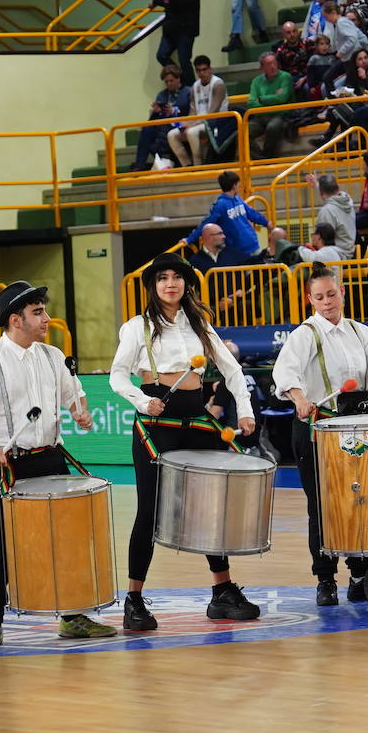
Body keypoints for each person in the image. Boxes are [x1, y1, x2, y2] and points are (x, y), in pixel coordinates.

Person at [0, 280, 111, 648]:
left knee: (67, 542)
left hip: (52, 458)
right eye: (37, 312)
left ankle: (72, 617)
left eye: (44, 310)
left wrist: (80, 413)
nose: (46, 318)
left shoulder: (52, 356)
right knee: (0, 546)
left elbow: (75, 395)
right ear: (14, 320)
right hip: (11, 466)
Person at [107, 254, 259, 631]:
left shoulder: (200, 324)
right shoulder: (136, 328)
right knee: (149, 512)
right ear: (153, 286)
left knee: (212, 508)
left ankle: (222, 592)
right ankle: (134, 599)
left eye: (176, 277)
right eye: (162, 278)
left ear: (186, 284)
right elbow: (117, 377)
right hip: (157, 425)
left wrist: (245, 409)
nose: (170, 283)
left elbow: (232, 369)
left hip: (198, 422)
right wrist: (143, 401)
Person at [273, 261, 368, 604]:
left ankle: (360, 573)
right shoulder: (304, 335)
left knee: (362, 500)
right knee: (322, 505)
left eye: (332, 294)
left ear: (341, 292)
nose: (327, 301)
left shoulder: (360, 332)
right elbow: (284, 375)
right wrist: (299, 399)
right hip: (316, 427)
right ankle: (325, 578)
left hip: (356, 425)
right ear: (309, 299)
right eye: (319, 296)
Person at [186, 170, 268, 263]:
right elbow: (207, 224)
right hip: (238, 251)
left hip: (253, 245)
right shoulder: (220, 205)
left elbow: (251, 213)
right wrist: (189, 239)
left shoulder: (237, 198)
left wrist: (266, 223)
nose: (239, 186)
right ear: (234, 186)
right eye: (238, 184)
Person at [168, 56, 230, 168]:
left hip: (216, 122)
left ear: (210, 69)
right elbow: (193, 111)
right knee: (171, 134)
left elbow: (212, 113)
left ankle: (198, 166)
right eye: (198, 70)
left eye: (204, 69)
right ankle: (187, 165)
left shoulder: (218, 84)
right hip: (199, 123)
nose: (201, 73)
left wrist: (192, 125)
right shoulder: (195, 86)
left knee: (191, 132)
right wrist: (186, 123)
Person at [129, 65, 191, 171]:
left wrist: (174, 111)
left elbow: (189, 112)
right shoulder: (162, 95)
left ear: (178, 78)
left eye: (171, 81)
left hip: (179, 123)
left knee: (164, 131)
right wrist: (157, 111)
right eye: (166, 82)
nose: (169, 84)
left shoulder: (187, 92)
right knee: (147, 129)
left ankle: (165, 159)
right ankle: (140, 164)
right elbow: (154, 119)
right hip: (163, 123)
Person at [152, 0, 200, 85]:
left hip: (185, 29)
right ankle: (181, 80)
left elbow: (185, 0)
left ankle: (191, 88)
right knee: (161, 55)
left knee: (184, 61)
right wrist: (156, 1)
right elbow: (169, 0)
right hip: (170, 29)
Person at [245, 51, 294, 160]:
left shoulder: (285, 77)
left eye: (274, 63)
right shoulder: (256, 81)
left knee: (272, 127)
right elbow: (251, 103)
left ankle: (267, 157)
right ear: (262, 68)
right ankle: (260, 159)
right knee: (243, 131)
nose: (272, 67)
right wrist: (273, 100)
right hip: (261, 117)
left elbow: (283, 98)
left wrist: (261, 99)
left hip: (280, 114)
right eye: (268, 64)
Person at [305, 172, 356, 260]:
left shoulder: (327, 211)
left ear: (321, 193)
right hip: (348, 252)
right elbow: (331, 198)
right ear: (338, 188)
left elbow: (320, 242)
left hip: (335, 256)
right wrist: (317, 185)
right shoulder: (347, 201)